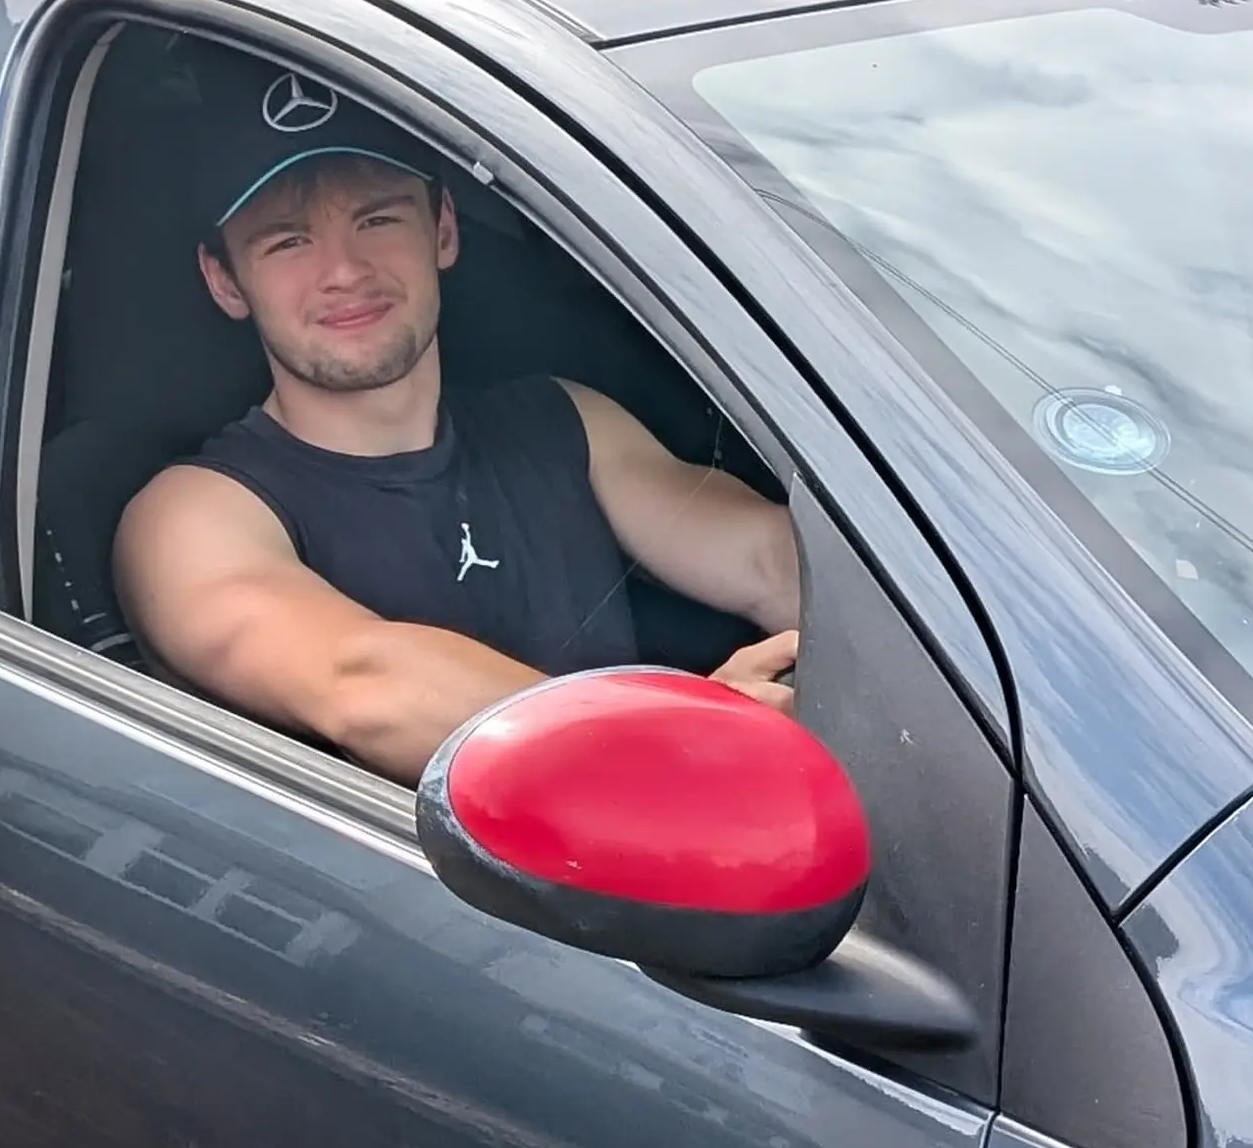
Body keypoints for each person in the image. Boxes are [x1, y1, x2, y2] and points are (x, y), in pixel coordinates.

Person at [112, 53, 801, 785]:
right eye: (287, 241)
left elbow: (768, 561)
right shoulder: (192, 514)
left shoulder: (562, 421)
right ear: (225, 280)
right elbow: (367, 685)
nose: (343, 271)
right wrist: (676, 741)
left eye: (376, 218)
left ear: (442, 229)